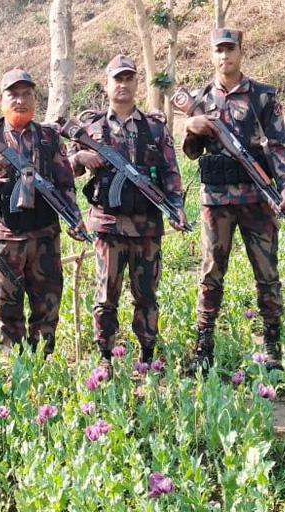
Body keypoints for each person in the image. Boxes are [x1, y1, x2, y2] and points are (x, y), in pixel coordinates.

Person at [182, 29, 285, 372]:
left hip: (257, 200)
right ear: (212, 55)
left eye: (230, 50)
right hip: (216, 202)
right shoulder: (200, 98)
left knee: (267, 273)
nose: (224, 56)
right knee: (211, 273)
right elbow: (190, 152)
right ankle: (204, 345)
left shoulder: (262, 96)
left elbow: (277, 144)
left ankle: (272, 345)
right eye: (218, 50)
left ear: (241, 53)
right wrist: (192, 125)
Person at [69, 54, 187, 369]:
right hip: (108, 226)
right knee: (106, 296)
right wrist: (81, 157)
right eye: (116, 79)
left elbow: (171, 173)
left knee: (146, 295)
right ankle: (105, 357)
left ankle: (147, 355)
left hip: (147, 226)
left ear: (136, 83)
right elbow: (66, 170)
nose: (122, 84)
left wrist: (177, 208)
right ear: (107, 85)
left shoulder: (154, 127)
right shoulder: (90, 128)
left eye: (128, 78)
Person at [0, 69, 87, 356]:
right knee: (8, 307)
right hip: (5, 239)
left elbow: (65, 182)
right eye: (13, 94)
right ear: (1, 99)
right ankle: (15, 367)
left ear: (34, 98)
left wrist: (74, 217)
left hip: (45, 237)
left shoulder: (48, 137)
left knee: (47, 306)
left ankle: (43, 364)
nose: (20, 101)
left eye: (26, 94)